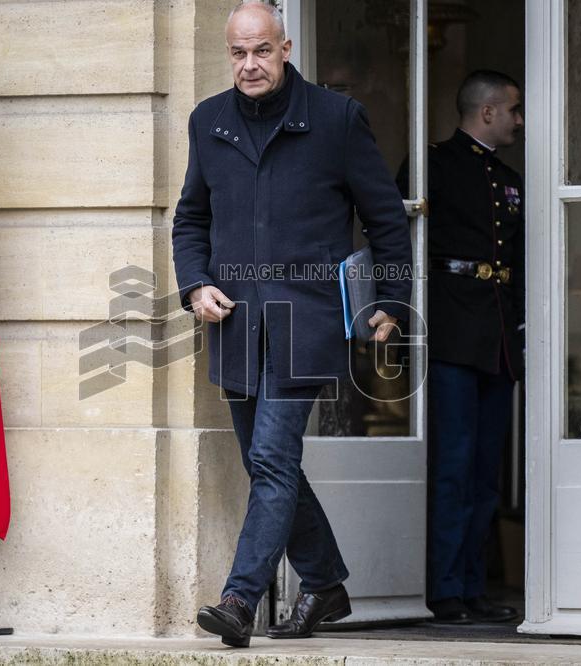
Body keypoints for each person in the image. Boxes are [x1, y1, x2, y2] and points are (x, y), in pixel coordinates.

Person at [171, 0, 412, 648]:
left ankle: (239, 599)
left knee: (273, 458)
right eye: (238, 53)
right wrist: (195, 284)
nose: (249, 64)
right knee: (263, 462)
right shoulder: (208, 122)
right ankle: (325, 581)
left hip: (307, 321)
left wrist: (390, 298)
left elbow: (386, 217)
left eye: (261, 51)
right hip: (237, 323)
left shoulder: (337, 120)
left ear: (285, 48)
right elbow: (190, 218)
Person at [423, 70, 525, 624]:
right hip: (452, 332)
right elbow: (395, 238)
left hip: (497, 337)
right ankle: (444, 590)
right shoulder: (434, 164)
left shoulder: (509, 178)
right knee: (453, 467)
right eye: (513, 109)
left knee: (486, 472)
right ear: (487, 112)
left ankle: (474, 586)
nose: (519, 119)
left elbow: (519, 262)